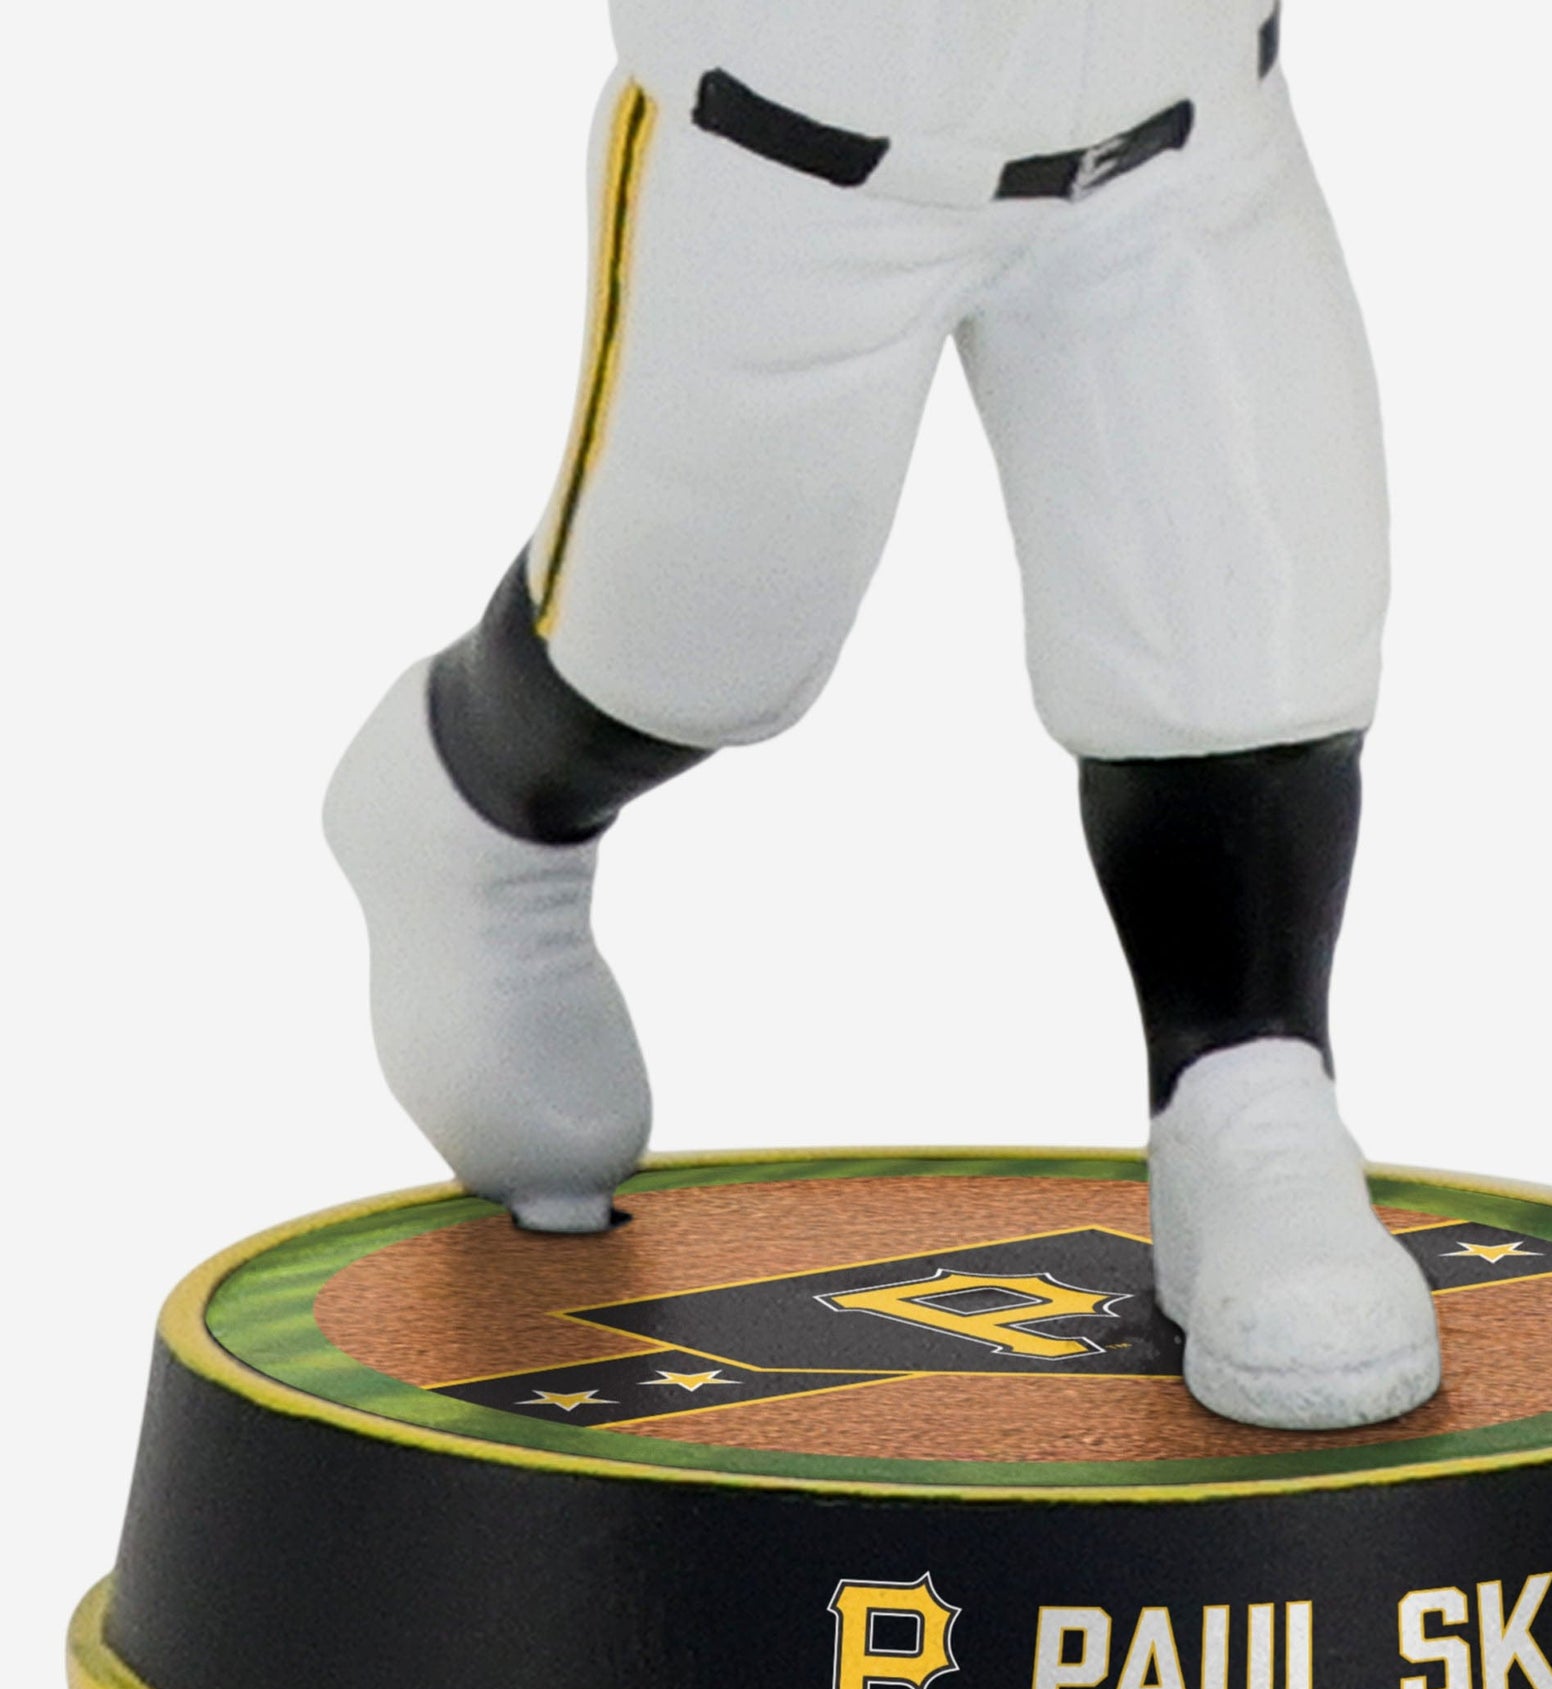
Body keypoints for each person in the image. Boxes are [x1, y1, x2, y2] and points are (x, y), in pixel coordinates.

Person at [324, 0, 1441, 1429]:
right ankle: (470, 809)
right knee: (680, 655)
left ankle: (1249, 1096)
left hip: (1181, 142)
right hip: (798, 156)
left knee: (1245, 638)